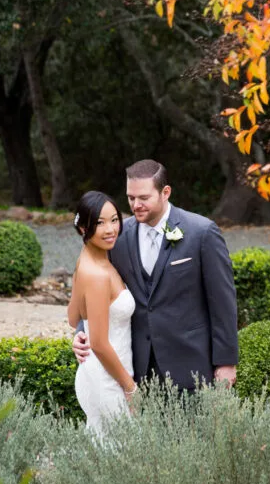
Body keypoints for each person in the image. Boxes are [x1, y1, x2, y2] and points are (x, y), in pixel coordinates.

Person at [73, 159, 239, 391]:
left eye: (144, 198)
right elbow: (97, 285)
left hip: (191, 365)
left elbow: (223, 301)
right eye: (131, 198)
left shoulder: (201, 233)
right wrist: (82, 330)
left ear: (165, 192)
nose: (136, 205)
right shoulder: (117, 237)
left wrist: (226, 362)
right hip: (136, 368)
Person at [68, 191, 137, 435]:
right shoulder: (96, 275)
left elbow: (73, 317)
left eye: (114, 220)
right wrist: (130, 388)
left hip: (103, 371)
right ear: (83, 228)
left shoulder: (86, 262)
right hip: (109, 378)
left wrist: (80, 333)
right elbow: (98, 343)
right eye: (100, 223)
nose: (110, 229)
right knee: (119, 452)